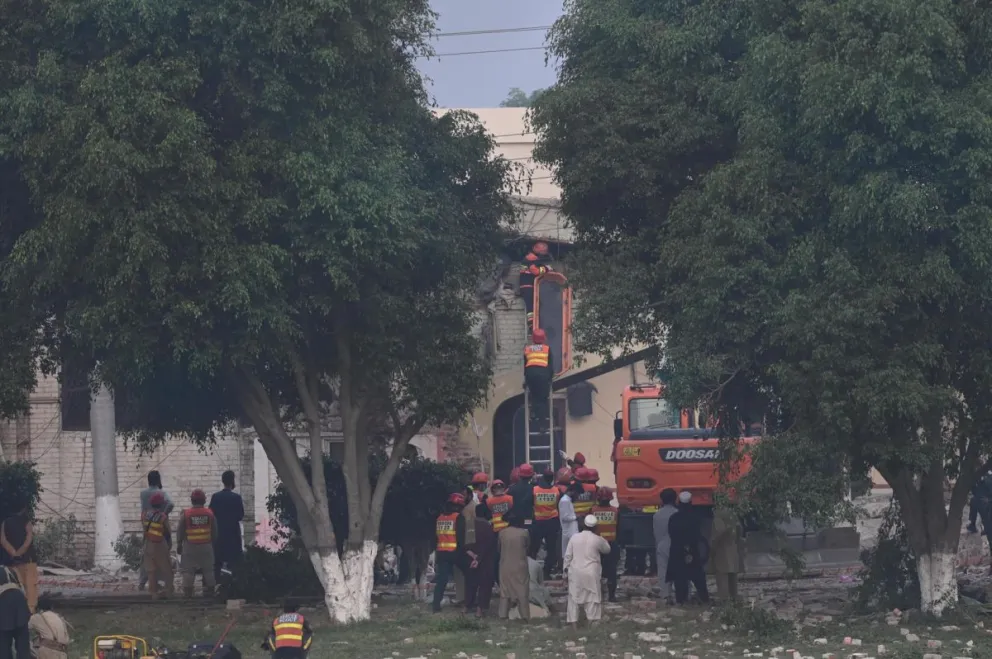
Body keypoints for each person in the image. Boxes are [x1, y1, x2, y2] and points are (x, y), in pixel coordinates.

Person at [563, 514, 612, 628]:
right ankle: (592, 622)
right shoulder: (597, 539)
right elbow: (607, 550)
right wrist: (600, 536)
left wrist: (565, 572)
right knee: (593, 596)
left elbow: (568, 556)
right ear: (595, 527)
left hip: (575, 571)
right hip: (591, 572)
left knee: (573, 597)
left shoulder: (574, 537)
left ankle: (573, 624)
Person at [432, 493, 474, 612]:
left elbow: (435, 537)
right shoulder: (458, 517)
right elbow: (461, 537)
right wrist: (468, 551)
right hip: (455, 552)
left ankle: (436, 606)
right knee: (470, 574)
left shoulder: (439, 518)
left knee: (442, 580)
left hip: (441, 553)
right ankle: (469, 603)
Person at [668, 491, 709, 605]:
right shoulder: (695, 518)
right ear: (691, 502)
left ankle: (681, 600)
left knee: (679, 578)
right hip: (692, 550)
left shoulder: (673, 518)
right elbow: (697, 535)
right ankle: (704, 598)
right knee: (698, 577)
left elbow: (671, 534)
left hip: (677, 551)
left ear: (679, 503)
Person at [178, 489, 218, 598]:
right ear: (204, 501)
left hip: (189, 547)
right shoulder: (210, 514)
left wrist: (179, 545)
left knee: (188, 572)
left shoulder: (186, 514)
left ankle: (188, 596)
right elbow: (215, 532)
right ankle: (210, 594)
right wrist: (212, 544)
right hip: (206, 546)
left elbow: (180, 531)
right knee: (209, 571)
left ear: (192, 500)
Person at [138, 471, 174, 591]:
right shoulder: (161, 493)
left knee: (147, 556)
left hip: (148, 526)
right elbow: (171, 503)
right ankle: (166, 585)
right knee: (163, 557)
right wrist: (164, 513)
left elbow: (143, 510)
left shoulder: (143, 494)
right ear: (158, 480)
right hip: (160, 527)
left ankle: (143, 582)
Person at [209, 470, 245, 584]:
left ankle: (216, 584)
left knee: (217, 562)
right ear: (232, 481)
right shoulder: (236, 498)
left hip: (219, 533)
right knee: (235, 562)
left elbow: (211, 514)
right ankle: (235, 584)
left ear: (222, 481)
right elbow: (240, 515)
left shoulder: (215, 497)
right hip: (233, 533)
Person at [0, 503, 36, 615]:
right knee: (30, 588)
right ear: (24, 508)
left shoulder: (5, 522)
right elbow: (28, 539)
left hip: (10, 561)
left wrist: (13, 553)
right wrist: (20, 553)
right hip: (26, 561)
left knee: (12, 586)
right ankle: (30, 612)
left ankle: (12, 612)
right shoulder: (26, 521)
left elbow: (3, 540)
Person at [464, 503, 497, 617]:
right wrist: (478, 558)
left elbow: (467, 544)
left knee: (471, 583)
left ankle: (467, 606)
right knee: (485, 584)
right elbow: (488, 545)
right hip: (485, 560)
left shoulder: (470, 524)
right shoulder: (488, 526)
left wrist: (473, 557)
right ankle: (479, 610)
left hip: (470, 559)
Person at [497, 514, 530, 621]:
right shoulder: (524, 533)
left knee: (504, 590)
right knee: (522, 590)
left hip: (505, 565)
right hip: (520, 565)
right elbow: (528, 546)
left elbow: (498, 548)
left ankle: (503, 615)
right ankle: (525, 616)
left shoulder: (502, 533)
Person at [530, 469, 561, 579]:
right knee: (551, 549)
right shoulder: (556, 491)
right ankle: (546, 572)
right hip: (552, 522)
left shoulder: (534, 490)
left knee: (534, 549)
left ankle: (532, 572)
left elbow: (530, 504)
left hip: (538, 521)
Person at [143, 491, 174, 600]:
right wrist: (170, 544)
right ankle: (169, 590)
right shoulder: (162, 517)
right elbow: (168, 532)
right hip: (160, 544)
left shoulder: (145, 514)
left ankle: (153, 593)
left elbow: (144, 528)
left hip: (148, 544)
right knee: (167, 568)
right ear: (161, 504)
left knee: (151, 570)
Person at [592, 487, 620, 602]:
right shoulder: (615, 511)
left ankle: (596, 596)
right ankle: (611, 596)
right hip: (611, 544)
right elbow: (619, 528)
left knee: (594, 570)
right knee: (611, 571)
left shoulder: (592, 510)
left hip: (595, 544)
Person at [710, 503, 742, 602]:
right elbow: (740, 529)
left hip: (722, 550)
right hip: (733, 547)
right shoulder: (732, 513)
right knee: (733, 577)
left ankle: (725, 602)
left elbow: (717, 533)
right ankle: (734, 600)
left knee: (722, 577)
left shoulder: (718, 514)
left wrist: (712, 547)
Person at [652, 488, 679, 603]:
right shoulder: (677, 513)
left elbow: (656, 533)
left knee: (663, 571)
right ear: (675, 499)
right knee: (679, 571)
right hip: (676, 545)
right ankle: (681, 595)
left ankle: (666, 596)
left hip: (662, 544)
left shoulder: (657, 515)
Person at [523, 330, 555, 423]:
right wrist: (550, 379)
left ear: (533, 339)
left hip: (531, 375)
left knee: (534, 395)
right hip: (543, 375)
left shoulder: (527, 349)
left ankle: (533, 413)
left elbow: (525, 366)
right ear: (543, 339)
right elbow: (550, 366)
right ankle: (542, 424)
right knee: (543, 398)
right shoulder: (547, 349)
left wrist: (526, 381)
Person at [0, 565, 29, 659]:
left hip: (4, 605)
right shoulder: (9, 569)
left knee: (3, 646)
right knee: (23, 646)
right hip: (20, 604)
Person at [558, 480, 582, 557]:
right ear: (573, 492)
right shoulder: (565, 501)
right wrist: (576, 517)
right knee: (568, 555)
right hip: (569, 532)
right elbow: (565, 517)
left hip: (571, 531)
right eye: (577, 494)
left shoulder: (568, 500)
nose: (578, 496)